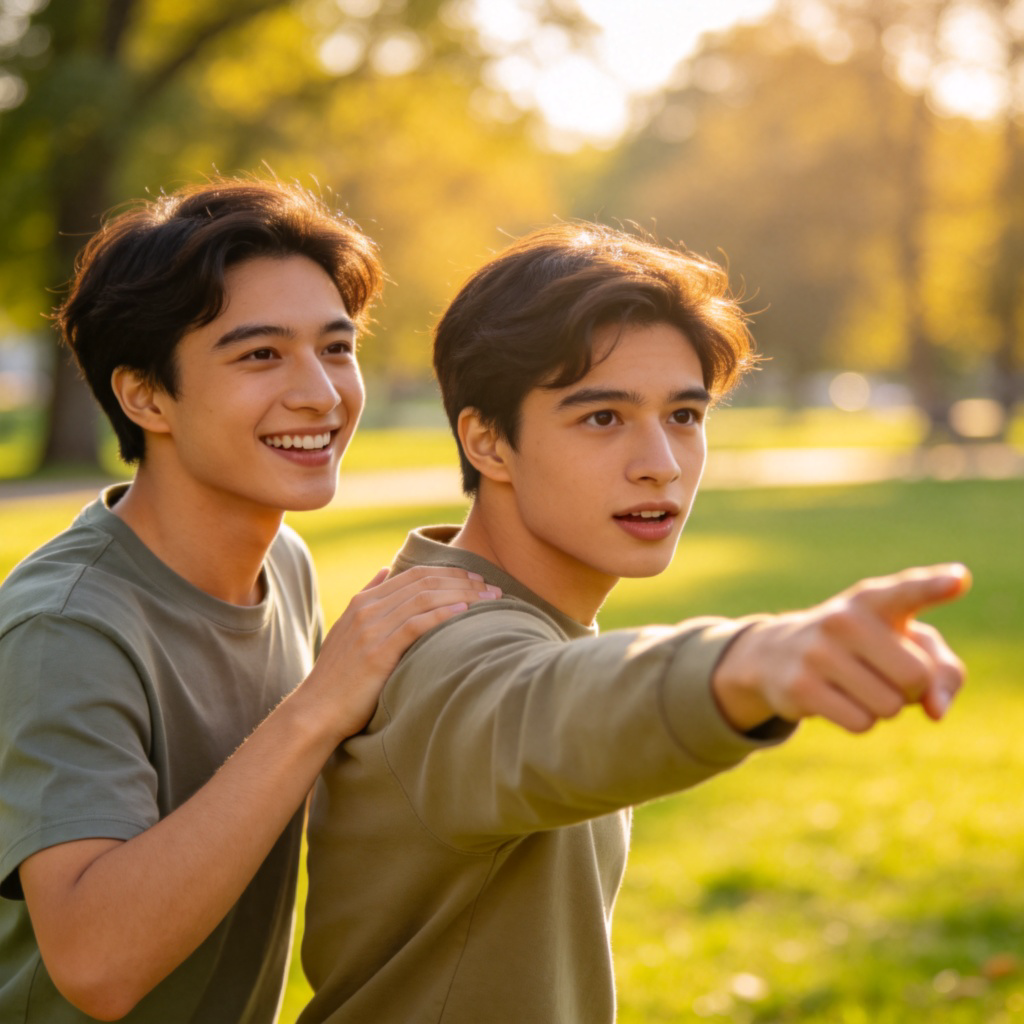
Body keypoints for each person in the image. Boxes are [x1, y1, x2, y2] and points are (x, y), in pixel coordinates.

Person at [299, 222, 969, 1024]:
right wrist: (750, 661)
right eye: (603, 418)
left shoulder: (485, 608)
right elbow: (549, 710)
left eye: (684, 415)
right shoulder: (445, 643)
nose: (661, 463)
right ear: (488, 441)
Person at [0, 177, 500, 1023]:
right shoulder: (66, 625)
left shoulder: (284, 563)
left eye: (335, 347)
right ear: (145, 395)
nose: (321, 393)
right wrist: (319, 705)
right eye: (261, 355)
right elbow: (95, 962)